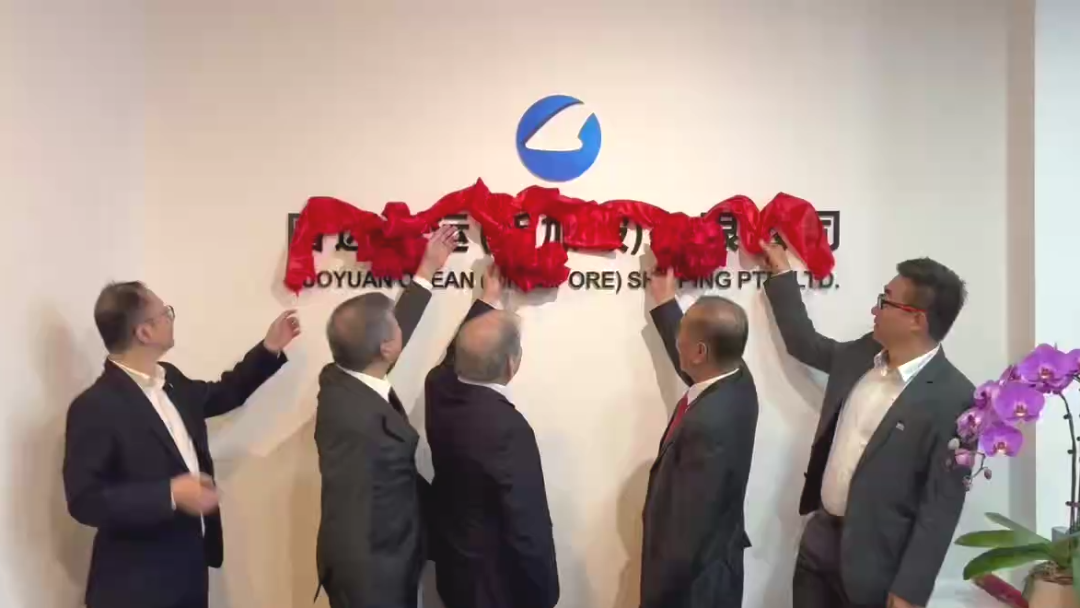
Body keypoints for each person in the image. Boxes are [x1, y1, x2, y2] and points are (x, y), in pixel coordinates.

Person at [758, 241, 974, 608]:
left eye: (885, 300)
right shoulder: (862, 356)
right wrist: (781, 273)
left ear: (916, 320)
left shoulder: (954, 398)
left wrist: (910, 591)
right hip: (818, 544)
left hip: (877, 566)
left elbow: (940, 506)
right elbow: (805, 344)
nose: (875, 309)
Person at [63, 282, 300, 608]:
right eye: (165, 313)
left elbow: (224, 393)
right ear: (144, 332)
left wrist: (269, 348)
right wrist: (170, 494)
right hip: (134, 587)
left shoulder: (171, 380)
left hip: (189, 571)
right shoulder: (95, 406)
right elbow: (85, 500)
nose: (171, 318)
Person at [314, 225, 457, 608]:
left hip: (381, 566)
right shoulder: (361, 427)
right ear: (385, 348)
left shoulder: (342, 380)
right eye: (393, 327)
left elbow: (389, 336)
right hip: (373, 579)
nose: (399, 329)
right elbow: (356, 519)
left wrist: (426, 271)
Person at [424, 264, 559, 608]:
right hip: (496, 590)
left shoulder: (438, 391)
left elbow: (450, 362)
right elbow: (528, 527)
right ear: (512, 365)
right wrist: (545, 595)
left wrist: (487, 300)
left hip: (454, 574)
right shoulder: (508, 429)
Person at [639, 268, 759, 608]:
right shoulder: (737, 377)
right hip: (710, 567)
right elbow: (696, 364)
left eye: (683, 335)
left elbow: (687, 533)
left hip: (693, 588)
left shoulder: (708, 425)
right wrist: (666, 303)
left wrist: (655, 597)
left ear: (700, 352)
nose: (678, 338)